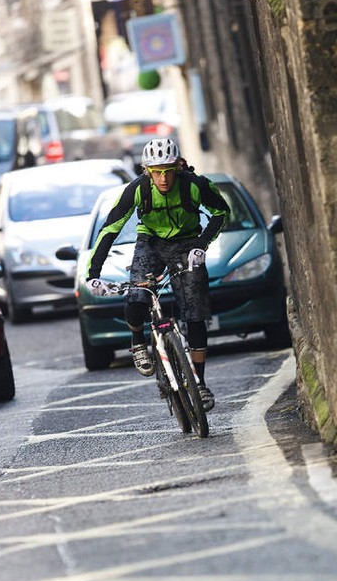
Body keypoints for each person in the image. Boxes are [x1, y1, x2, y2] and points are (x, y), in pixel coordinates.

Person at [85, 137, 229, 411]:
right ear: (147, 171)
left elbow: (221, 212)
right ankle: (138, 341)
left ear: (177, 167)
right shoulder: (138, 189)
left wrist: (201, 245)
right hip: (150, 244)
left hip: (187, 244)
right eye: (156, 171)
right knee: (137, 297)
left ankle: (199, 383)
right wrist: (94, 274)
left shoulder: (195, 185)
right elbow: (109, 230)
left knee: (195, 314)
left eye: (168, 170)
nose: (163, 178)